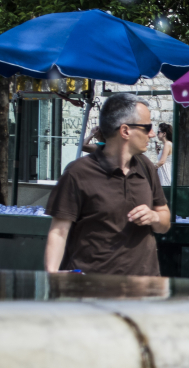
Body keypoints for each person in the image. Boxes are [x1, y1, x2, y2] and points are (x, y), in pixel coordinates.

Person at [44, 92, 171, 275]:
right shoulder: (78, 172)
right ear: (125, 131)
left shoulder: (146, 166)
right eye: (147, 127)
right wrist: (52, 275)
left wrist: (154, 217)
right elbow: (58, 232)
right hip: (92, 291)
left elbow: (164, 219)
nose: (151, 134)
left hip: (143, 291)